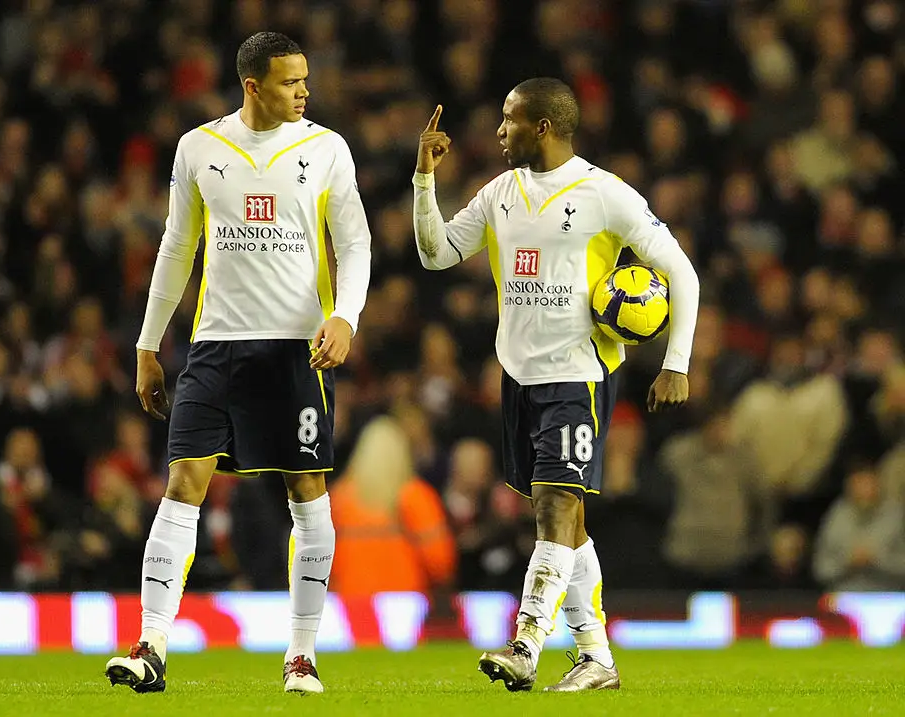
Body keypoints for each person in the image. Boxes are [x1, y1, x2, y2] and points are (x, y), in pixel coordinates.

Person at [105, 32, 371, 695]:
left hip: (296, 348)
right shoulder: (200, 148)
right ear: (252, 85)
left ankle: (302, 654)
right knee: (183, 481)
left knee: (307, 495)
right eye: (291, 82)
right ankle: (151, 643)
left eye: (306, 81)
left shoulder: (326, 148)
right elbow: (177, 245)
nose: (305, 92)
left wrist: (345, 317)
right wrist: (147, 342)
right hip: (216, 346)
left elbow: (357, 242)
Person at [412, 78, 699, 692]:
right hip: (520, 377)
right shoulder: (500, 193)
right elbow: (436, 252)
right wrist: (424, 181)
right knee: (569, 524)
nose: (497, 131)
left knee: (554, 506)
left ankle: (526, 644)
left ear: (541, 126)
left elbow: (681, 270)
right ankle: (597, 659)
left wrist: (677, 360)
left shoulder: (604, 194)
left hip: (579, 373)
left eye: (508, 119)